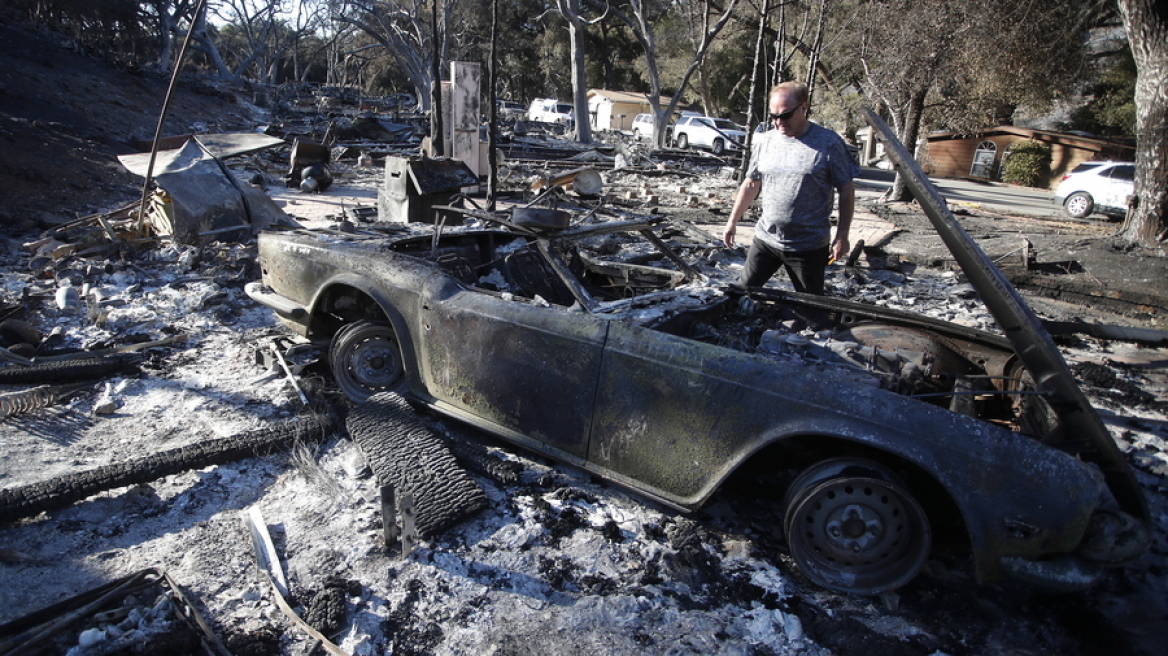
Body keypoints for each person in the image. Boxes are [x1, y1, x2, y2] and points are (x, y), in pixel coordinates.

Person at [723, 81, 859, 295]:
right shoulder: (764, 141)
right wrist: (732, 221)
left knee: (811, 312)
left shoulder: (828, 143)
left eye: (786, 115)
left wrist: (843, 234)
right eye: (773, 116)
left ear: (804, 108)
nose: (779, 122)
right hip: (766, 239)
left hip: (808, 245)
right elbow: (751, 183)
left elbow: (846, 189)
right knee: (739, 294)